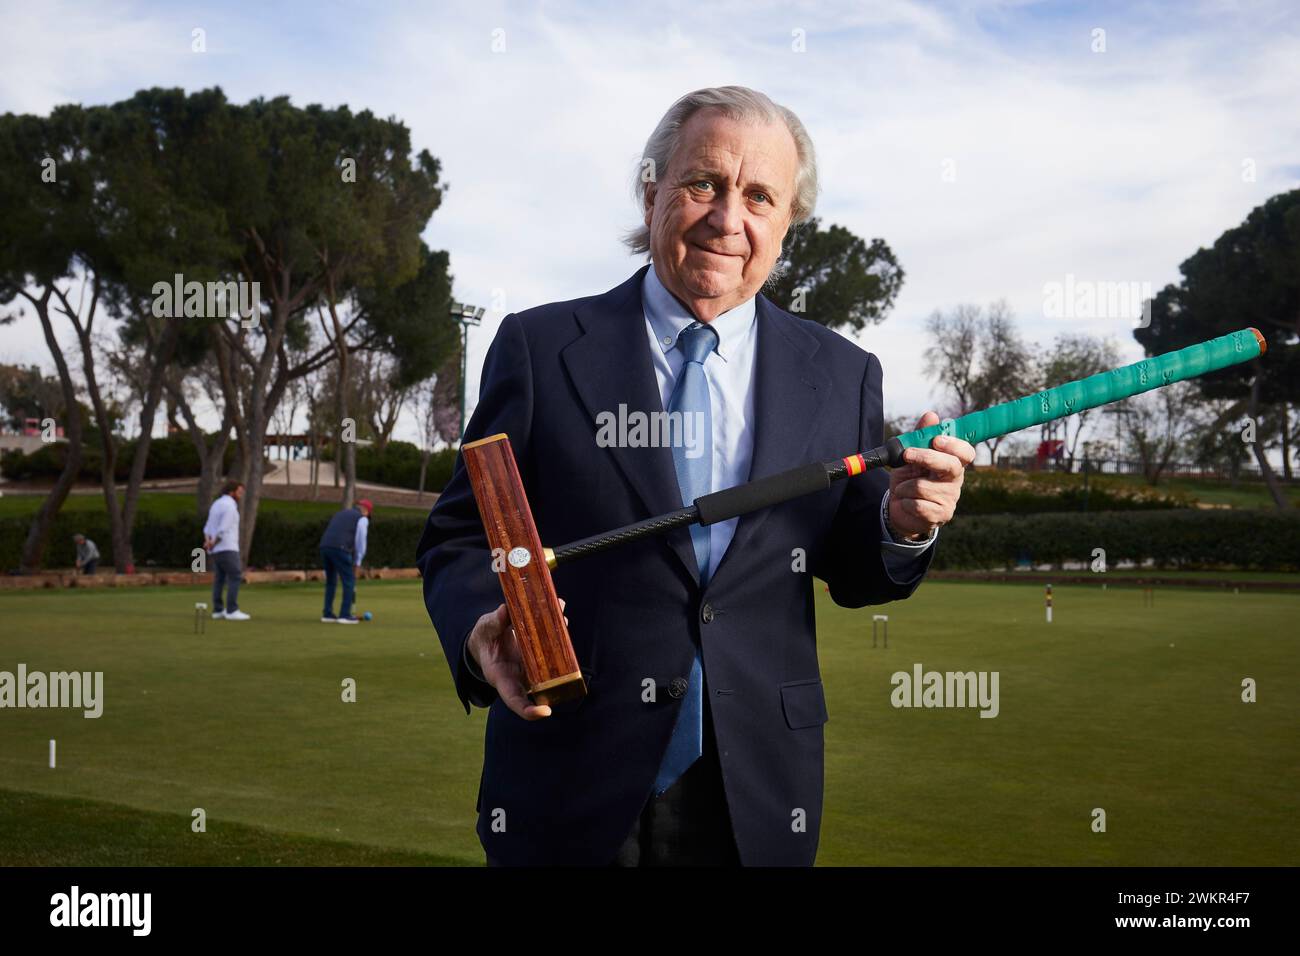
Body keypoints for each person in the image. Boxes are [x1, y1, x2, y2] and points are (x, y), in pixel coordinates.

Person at [416, 86, 975, 867]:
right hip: (567, 778)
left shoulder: (843, 373)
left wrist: (904, 526)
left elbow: (854, 566)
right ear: (652, 192)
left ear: (787, 224)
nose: (727, 218)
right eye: (702, 183)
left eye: (759, 196)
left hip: (755, 794)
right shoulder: (539, 349)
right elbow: (463, 533)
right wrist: (483, 634)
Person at [319, 498, 372, 624]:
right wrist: (358, 562)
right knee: (349, 581)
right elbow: (360, 542)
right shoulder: (362, 518)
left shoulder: (341, 513)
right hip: (340, 549)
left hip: (325, 547)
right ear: (366, 511)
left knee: (331, 581)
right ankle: (345, 615)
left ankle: (327, 614)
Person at [203, 480, 249, 621]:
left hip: (216, 549)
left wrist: (208, 542)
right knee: (235, 575)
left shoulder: (216, 504)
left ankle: (218, 610)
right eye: (239, 492)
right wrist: (213, 542)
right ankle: (232, 610)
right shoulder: (230, 507)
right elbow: (223, 529)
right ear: (231, 492)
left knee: (220, 578)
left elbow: (207, 527)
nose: (240, 495)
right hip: (227, 547)